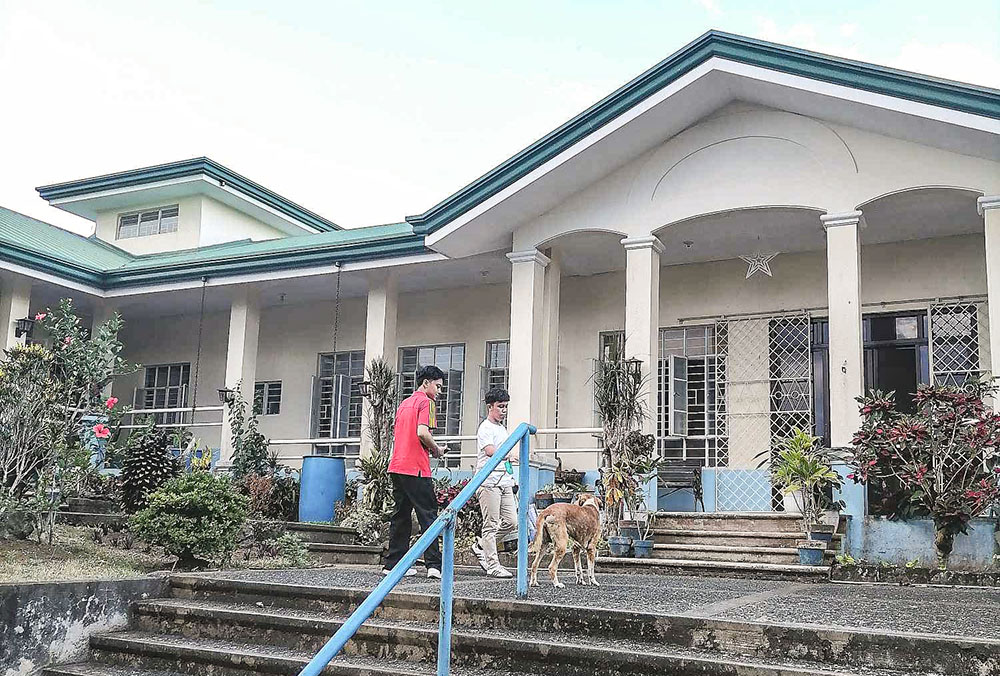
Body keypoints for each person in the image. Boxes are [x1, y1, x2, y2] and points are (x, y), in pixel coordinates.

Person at [383, 364, 448, 579]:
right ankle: (434, 566)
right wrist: (437, 449)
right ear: (426, 383)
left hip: (397, 465)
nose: (439, 391)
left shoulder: (404, 404)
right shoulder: (426, 403)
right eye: (437, 386)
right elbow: (422, 432)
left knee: (400, 515)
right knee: (428, 515)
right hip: (417, 468)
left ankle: (392, 563)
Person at [472, 387, 518, 578]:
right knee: (490, 523)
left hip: (504, 480)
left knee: (511, 521)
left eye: (506, 407)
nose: (504, 410)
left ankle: (482, 545)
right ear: (490, 407)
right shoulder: (485, 428)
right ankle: (492, 565)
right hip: (488, 481)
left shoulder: (502, 428)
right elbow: (490, 451)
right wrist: (508, 455)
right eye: (500, 407)